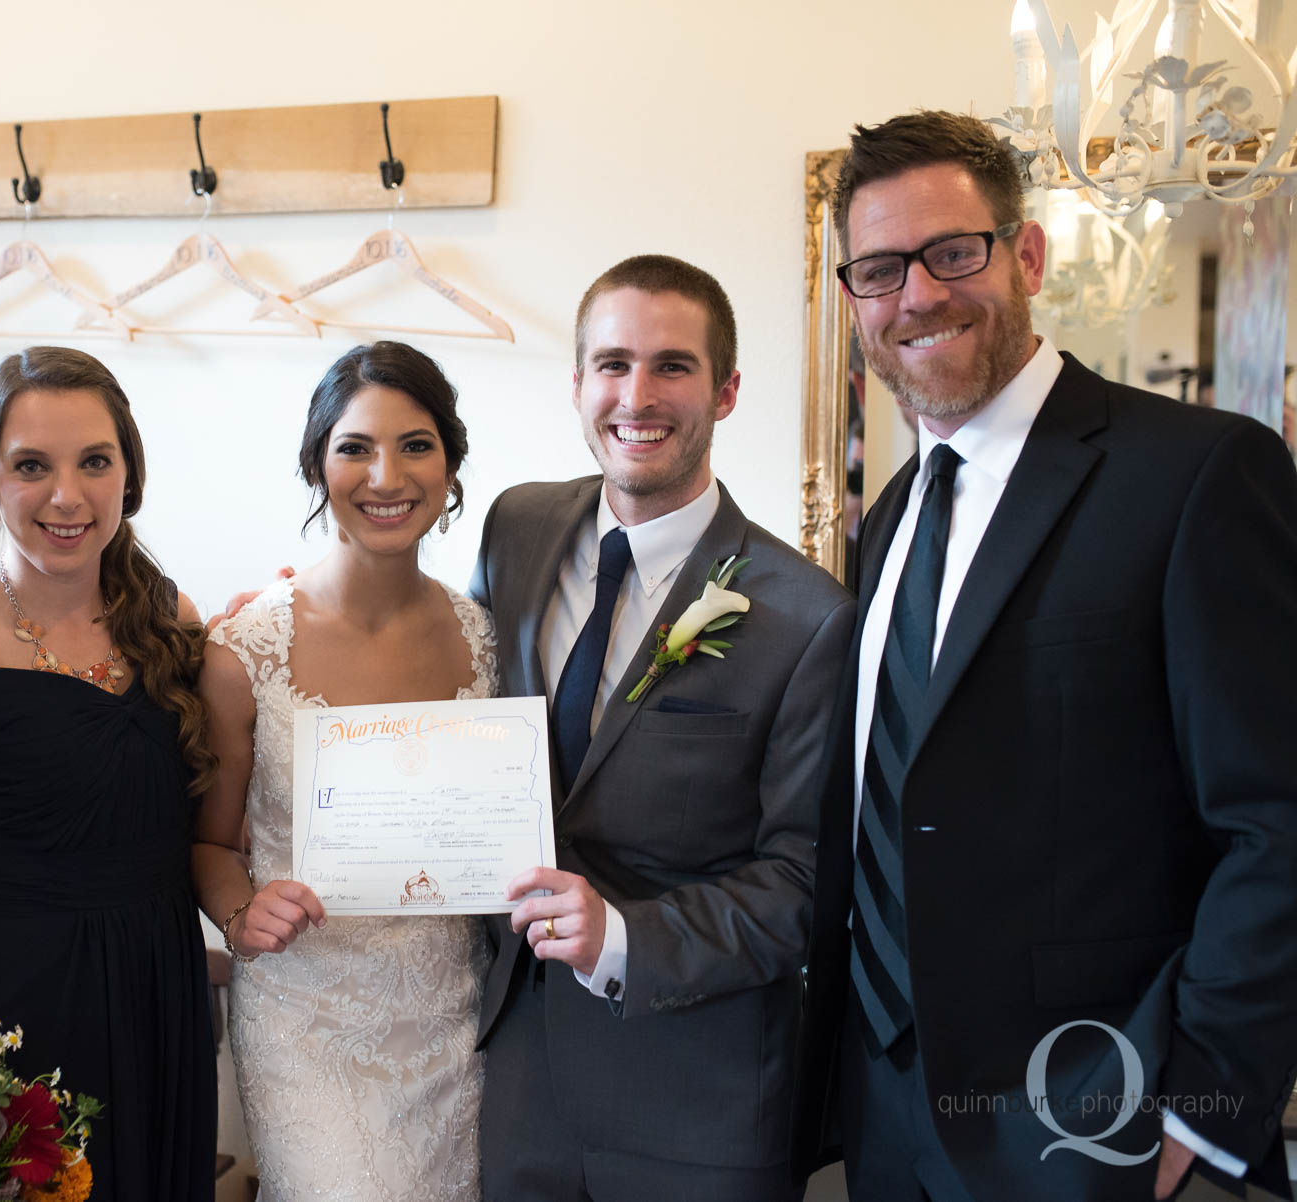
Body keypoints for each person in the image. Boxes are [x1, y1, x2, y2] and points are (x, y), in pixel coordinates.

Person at [791, 110, 1297, 1202]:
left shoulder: (1197, 475)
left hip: (1095, 1120)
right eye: (881, 269)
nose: (918, 293)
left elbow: (1277, 816)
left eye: (953, 252)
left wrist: (1208, 1105)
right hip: (880, 1115)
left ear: (1025, 256)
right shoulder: (883, 523)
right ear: (852, 300)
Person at [470, 255, 855, 1200]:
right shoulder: (516, 529)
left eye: (672, 366)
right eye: (612, 364)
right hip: (516, 1087)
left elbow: (805, 882)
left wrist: (623, 939)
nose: (636, 396)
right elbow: (465, 708)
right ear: (576, 384)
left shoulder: (807, 618)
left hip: (700, 1106)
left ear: (725, 392)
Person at [0, 346, 218, 1200]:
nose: (68, 495)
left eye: (95, 462)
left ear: (129, 475)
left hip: (159, 1015)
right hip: (13, 1048)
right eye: (32, 466)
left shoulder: (173, 624)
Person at [195, 341, 494, 1201]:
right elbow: (210, 844)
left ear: (450, 464)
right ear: (317, 465)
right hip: (308, 1023)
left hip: (454, 1024)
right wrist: (241, 911)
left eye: (415, 444)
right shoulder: (245, 647)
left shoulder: (488, 638)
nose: (385, 475)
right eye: (355, 447)